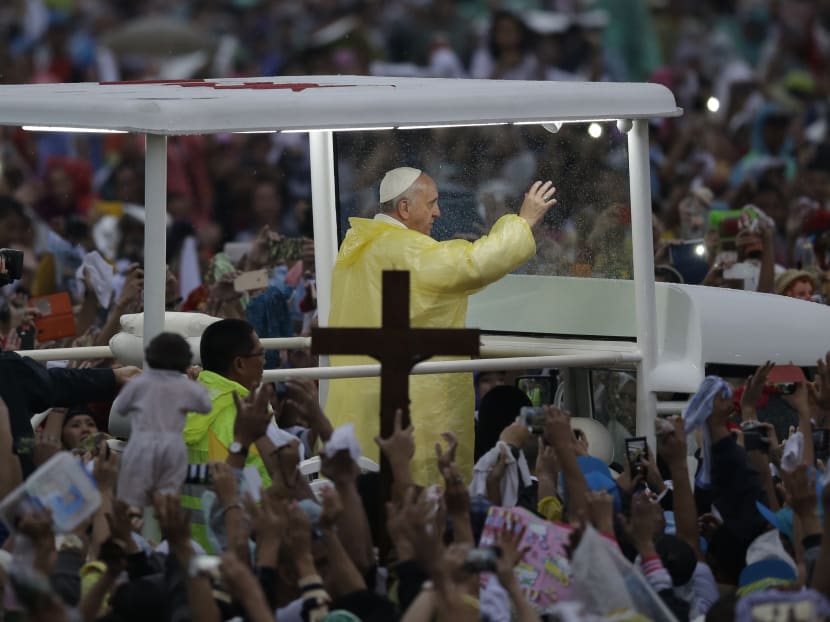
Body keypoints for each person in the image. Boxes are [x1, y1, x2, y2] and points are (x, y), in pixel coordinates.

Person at [325, 166, 557, 485]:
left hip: (357, 401)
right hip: (412, 404)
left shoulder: (357, 246)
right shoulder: (404, 249)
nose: (438, 211)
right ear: (404, 208)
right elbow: (472, 265)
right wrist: (524, 221)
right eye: (431, 203)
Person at [112, 333, 211, 510]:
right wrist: (194, 382)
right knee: (168, 501)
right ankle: (168, 531)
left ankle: (130, 528)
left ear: (150, 355)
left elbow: (120, 408)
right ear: (185, 359)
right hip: (173, 446)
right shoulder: (185, 386)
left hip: (141, 444)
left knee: (131, 502)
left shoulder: (139, 383)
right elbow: (205, 406)